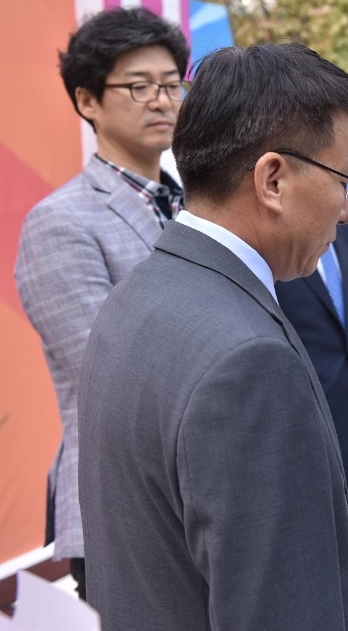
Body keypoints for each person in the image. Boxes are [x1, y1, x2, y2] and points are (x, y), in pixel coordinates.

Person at [76, 43, 348, 630]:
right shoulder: (249, 362)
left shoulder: (138, 294)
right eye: (344, 179)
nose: (346, 211)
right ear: (272, 179)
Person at [13, 8, 188, 600]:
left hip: (205, 491)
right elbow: (106, 373)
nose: (161, 100)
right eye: (139, 86)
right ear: (88, 101)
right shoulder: (61, 223)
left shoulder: (196, 207)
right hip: (123, 506)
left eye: (171, 84)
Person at [275, 222, 348, 527]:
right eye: (341, 183)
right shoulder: (279, 234)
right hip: (306, 417)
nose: (346, 203)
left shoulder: (347, 233)